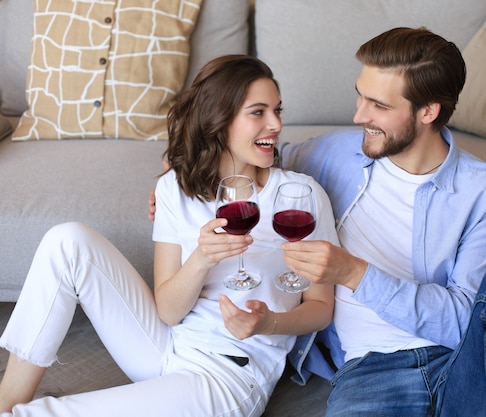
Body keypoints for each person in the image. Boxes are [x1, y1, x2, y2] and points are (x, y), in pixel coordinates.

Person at [0, 55, 338, 417]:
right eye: (258, 112)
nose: (276, 124)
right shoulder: (175, 188)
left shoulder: (301, 196)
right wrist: (201, 259)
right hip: (164, 345)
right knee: (66, 240)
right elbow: (169, 310)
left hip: (228, 374)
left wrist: (270, 322)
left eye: (277, 110)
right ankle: (7, 397)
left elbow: (321, 307)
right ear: (218, 120)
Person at [275, 27, 486, 416]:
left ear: (427, 111)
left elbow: (462, 322)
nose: (358, 115)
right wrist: (179, 177)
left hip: (461, 362)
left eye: (378, 105)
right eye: (360, 95)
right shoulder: (335, 152)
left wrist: (355, 274)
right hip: (370, 372)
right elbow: (255, 156)